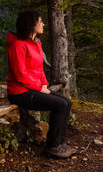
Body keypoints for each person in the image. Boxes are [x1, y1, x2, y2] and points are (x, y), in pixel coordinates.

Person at [6, 10, 75, 158]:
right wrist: (38, 88)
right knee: (60, 105)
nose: (43, 24)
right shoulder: (18, 46)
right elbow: (20, 75)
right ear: (32, 25)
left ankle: (60, 142)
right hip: (19, 92)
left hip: (32, 89)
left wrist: (44, 84)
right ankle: (52, 146)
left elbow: (39, 68)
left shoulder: (36, 44)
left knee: (67, 102)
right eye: (40, 21)